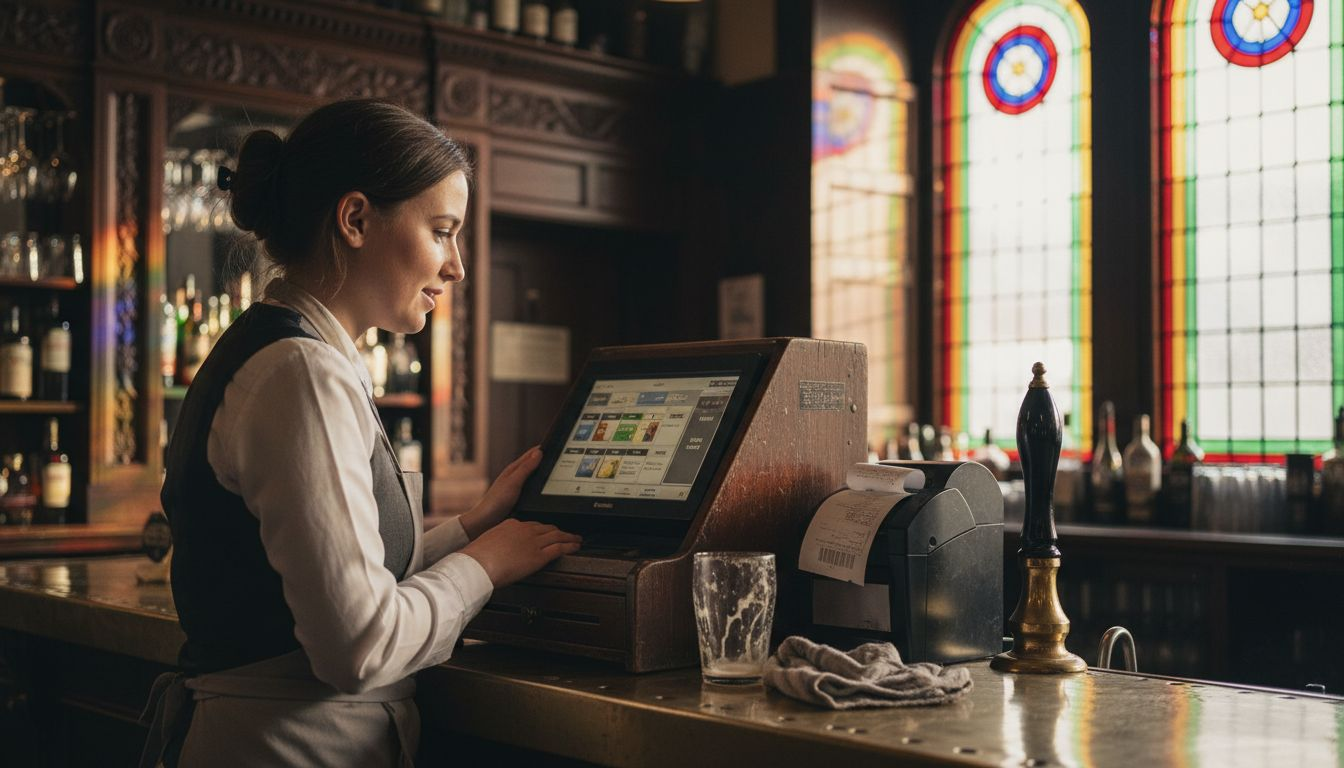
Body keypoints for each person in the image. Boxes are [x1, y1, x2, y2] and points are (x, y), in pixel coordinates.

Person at [141, 98, 582, 768]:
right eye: (441, 231)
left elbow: (344, 577)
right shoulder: (302, 375)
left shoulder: (297, 353)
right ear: (354, 219)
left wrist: (473, 526)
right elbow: (361, 646)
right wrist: (486, 565)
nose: (456, 266)